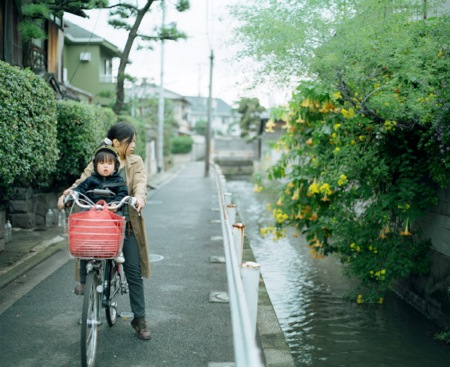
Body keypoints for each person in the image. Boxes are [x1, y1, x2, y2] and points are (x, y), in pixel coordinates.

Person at [58, 122, 152, 340]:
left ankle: (139, 318)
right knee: (89, 253)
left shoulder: (135, 161)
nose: (134, 146)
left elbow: (140, 183)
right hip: (99, 223)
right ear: (118, 142)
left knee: (132, 270)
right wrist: (68, 193)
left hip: (124, 223)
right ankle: (90, 300)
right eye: (131, 141)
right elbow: (83, 180)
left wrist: (139, 198)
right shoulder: (99, 159)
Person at [70, 145, 128, 265]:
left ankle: (118, 249)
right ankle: (83, 246)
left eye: (109, 163)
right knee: (83, 220)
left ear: (115, 166)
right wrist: (73, 195)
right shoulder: (91, 179)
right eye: (101, 163)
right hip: (92, 208)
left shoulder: (118, 181)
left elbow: (123, 193)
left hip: (111, 209)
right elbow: (80, 189)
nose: (105, 166)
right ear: (96, 165)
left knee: (117, 221)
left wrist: (116, 203)